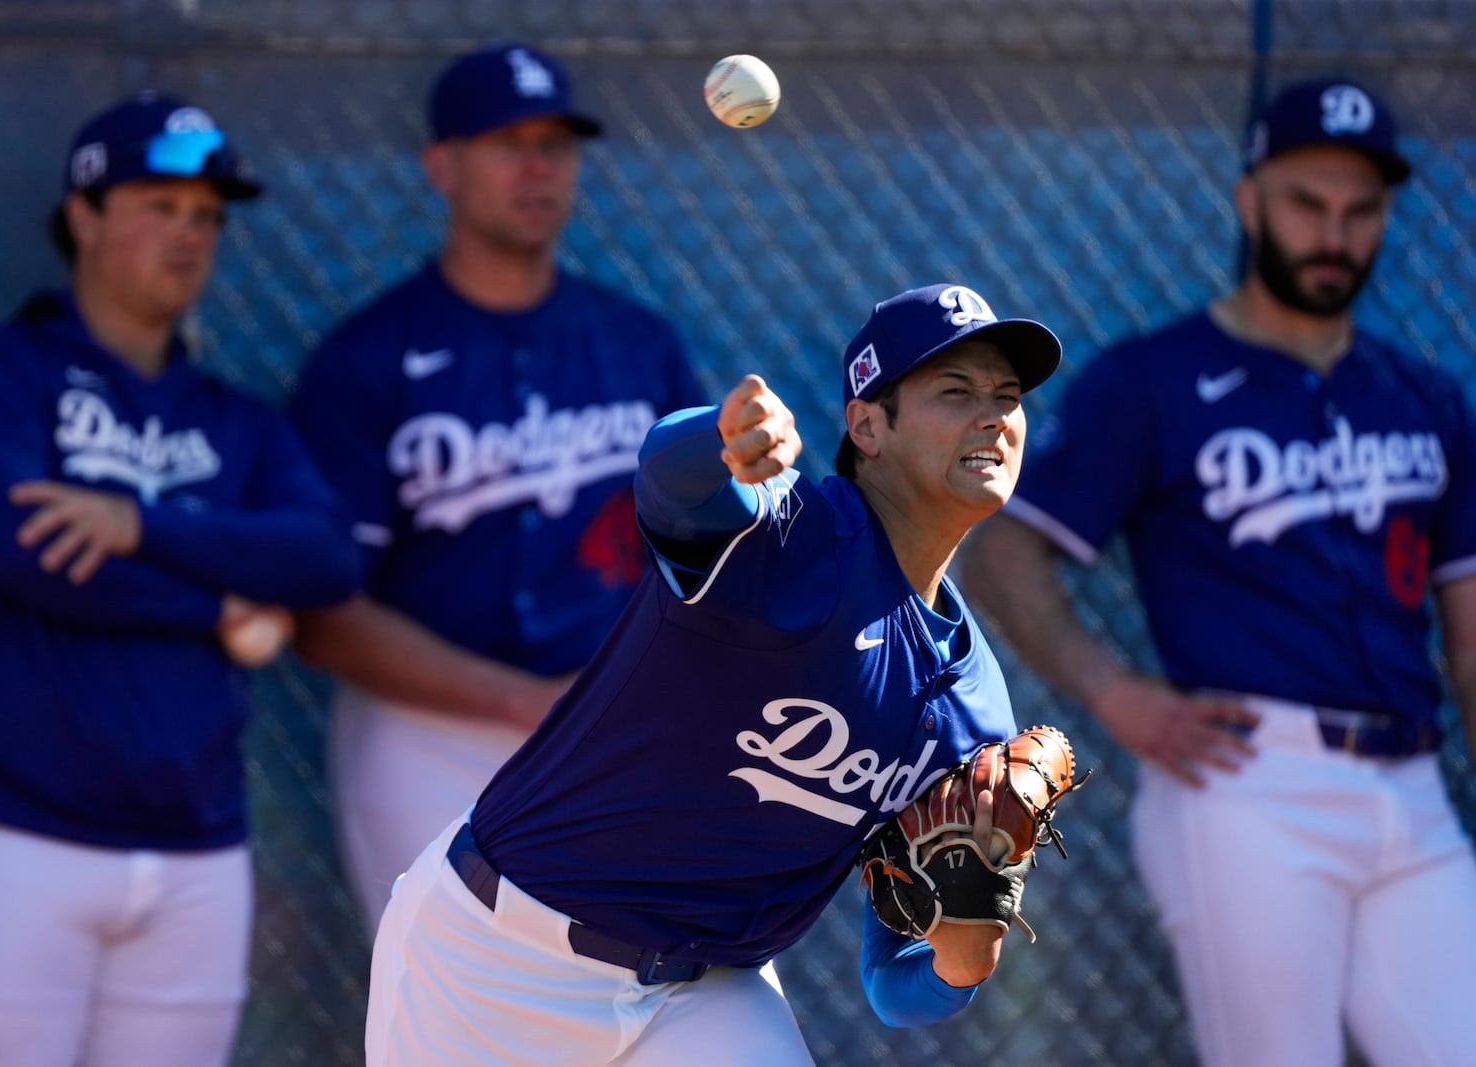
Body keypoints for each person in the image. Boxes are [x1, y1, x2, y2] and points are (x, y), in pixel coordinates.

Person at [362, 280, 1064, 1065]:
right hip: (494, 962)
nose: (993, 415)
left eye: (1008, 395)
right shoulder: (795, 540)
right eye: (955, 390)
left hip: (706, 995)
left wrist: (963, 956)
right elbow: (671, 489)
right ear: (867, 424)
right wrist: (719, 440)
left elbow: (893, 987)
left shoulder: (974, 708)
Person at [957, 78, 1476, 1067]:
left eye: (1359, 210)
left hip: (1413, 791)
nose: (1333, 232)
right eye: (1305, 202)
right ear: (1249, 200)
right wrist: (1113, 690)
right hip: (1247, 783)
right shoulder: (1153, 381)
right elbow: (1004, 545)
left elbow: (1469, 631)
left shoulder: (1423, 395)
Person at [0, 91, 360, 1067]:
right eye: (159, 205)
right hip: (4, 824)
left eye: (205, 216)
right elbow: (28, 554)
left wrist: (139, 523)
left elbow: (323, 558)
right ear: (84, 216)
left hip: (195, 842)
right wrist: (217, 602)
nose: (188, 235)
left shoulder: (234, 420)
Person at [288, 42, 708, 929]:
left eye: (556, 143)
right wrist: (522, 701)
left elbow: (703, 557)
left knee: (650, 1004)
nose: (537, 167)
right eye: (505, 141)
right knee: (443, 1018)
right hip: (425, 733)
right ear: (441, 165)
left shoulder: (639, 346)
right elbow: (324, 614)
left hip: (611, 728)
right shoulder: (366, 360)